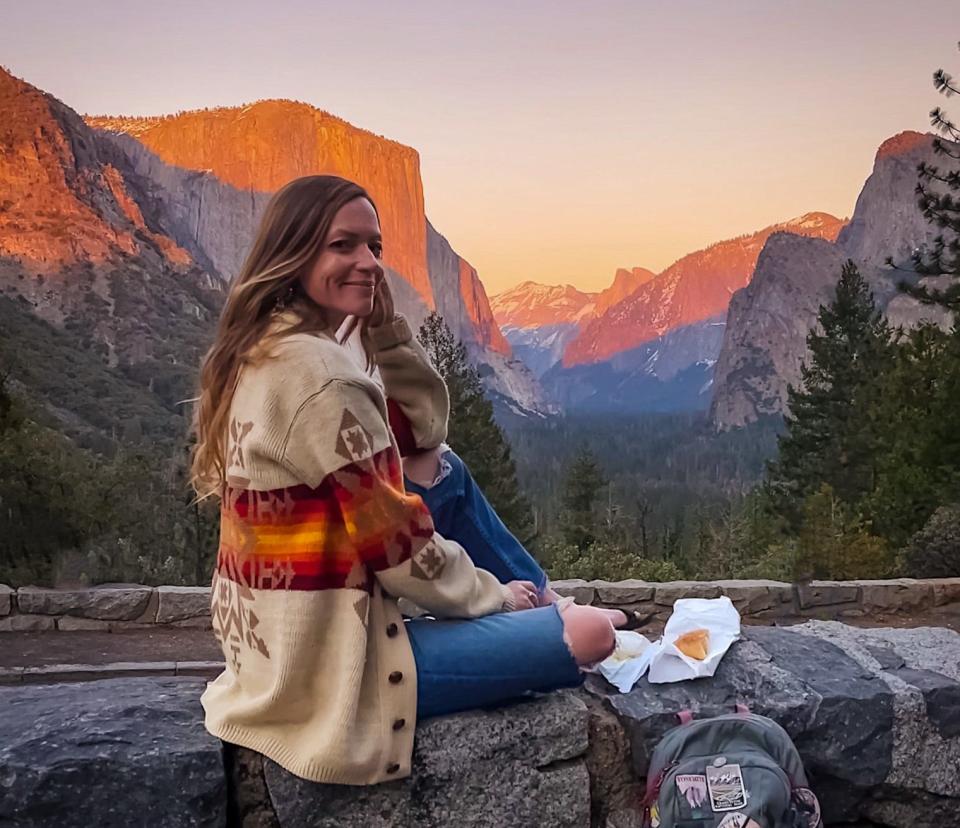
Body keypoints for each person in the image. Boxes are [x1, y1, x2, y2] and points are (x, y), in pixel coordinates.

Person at [191, 174, 625, 786]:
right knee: (591, 637)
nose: (368, 262)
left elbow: (424, 435)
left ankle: (547, 600)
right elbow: (398, 555)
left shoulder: (271, 346)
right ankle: (553, 610)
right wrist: (493, 597)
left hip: (270, 650)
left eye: (375, 248)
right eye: (345, 246)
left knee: (440, 470)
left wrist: (386, 331)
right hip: (334, 670)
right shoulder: (322, 378)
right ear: (296, 251)